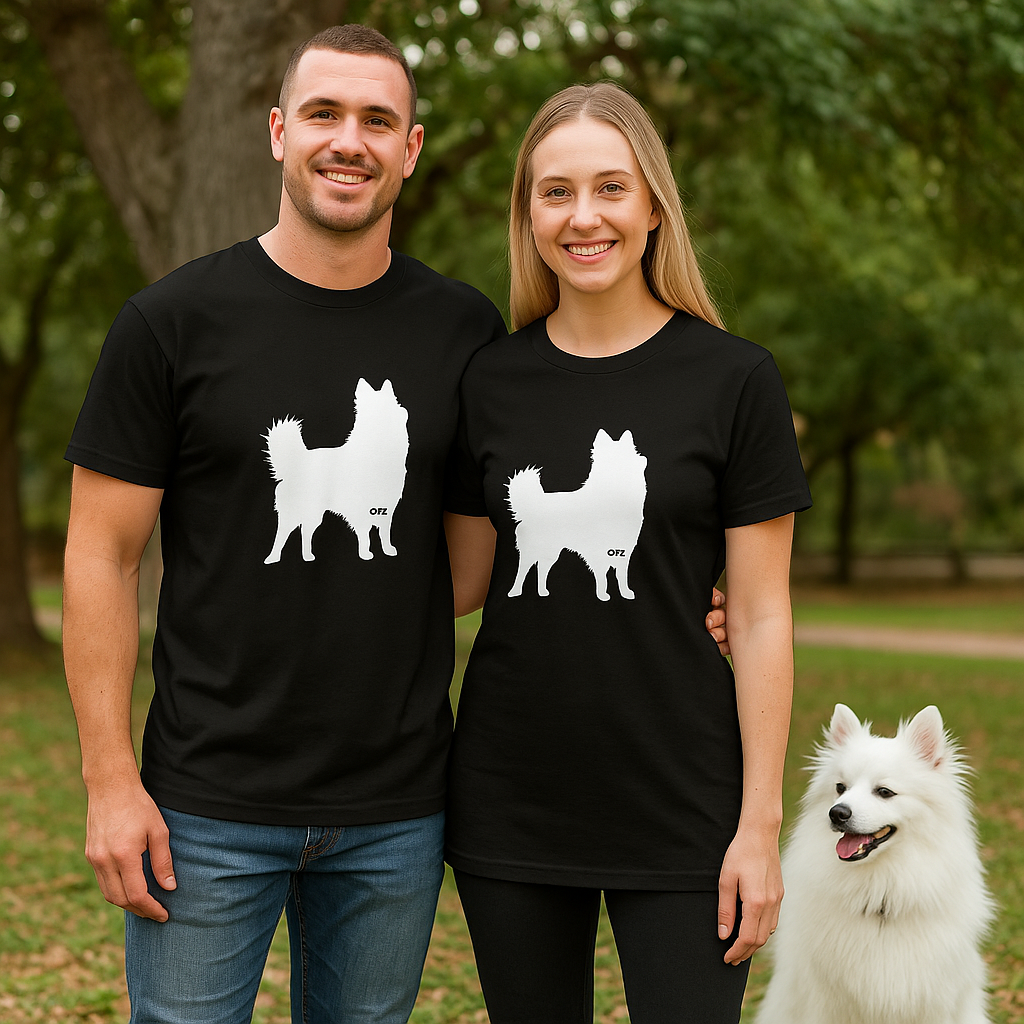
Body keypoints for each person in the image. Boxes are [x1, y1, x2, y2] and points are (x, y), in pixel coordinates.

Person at [62, 26, 731, 1024]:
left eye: (378, 120)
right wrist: (112, 783)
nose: (350, 140)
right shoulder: (170, 322)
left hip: (397, 809)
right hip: (202, 804)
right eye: (324, 114)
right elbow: (100, 557)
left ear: (409, 149)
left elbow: (477, 556)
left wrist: (689, 590)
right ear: (279, 131)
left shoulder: (460, 331)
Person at [443, 82, 812, 1024]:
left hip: (688, 800)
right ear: (528, 216)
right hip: (512, 793)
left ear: (653, 206)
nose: (584, 216)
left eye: (611, 187)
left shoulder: (736, 380)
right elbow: (460, 583)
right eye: (555, 192)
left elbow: (764, 613)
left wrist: (759, 828)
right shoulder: (489, 379)